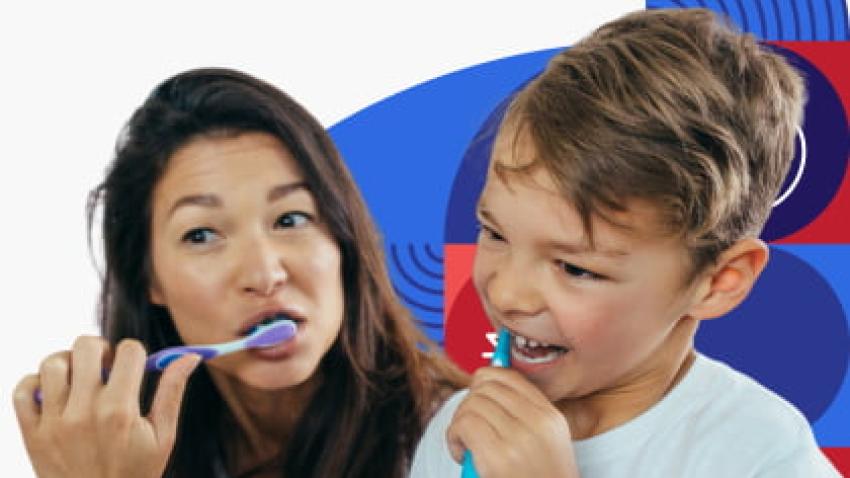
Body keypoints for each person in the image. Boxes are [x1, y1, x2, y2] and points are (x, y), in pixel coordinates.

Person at [411, 8, 841, 477]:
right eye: (494, 233)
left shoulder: (762, 454)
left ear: (719, 281)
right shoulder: (461, 432)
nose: (506, 294)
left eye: (575, 268)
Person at [13, 67, 467, 478]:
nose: (264, 273)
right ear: (150, 278)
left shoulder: (458, 444)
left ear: (343, 240)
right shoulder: (126, 453)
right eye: (202, 235)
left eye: (290, 220)